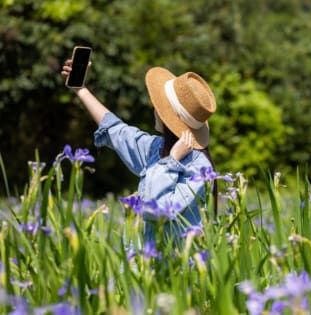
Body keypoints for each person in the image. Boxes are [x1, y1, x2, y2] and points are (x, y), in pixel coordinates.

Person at [61, 59, 218, 244]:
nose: (154, 108)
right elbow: (116, 130)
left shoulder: (199, 168)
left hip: (174, 269)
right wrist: (81, 89)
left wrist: (172, 161)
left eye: (160, 105)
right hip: (144, 265)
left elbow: (157, 210)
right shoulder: (156, 148)